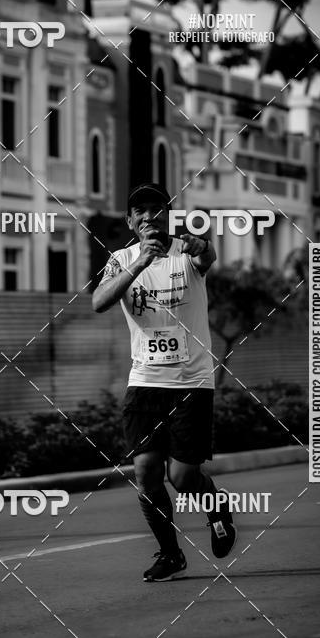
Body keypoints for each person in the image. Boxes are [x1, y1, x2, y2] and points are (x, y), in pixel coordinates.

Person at [92, 182, 236, 581]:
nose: (149, 217)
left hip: (191, 382)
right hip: (144, 381)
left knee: (182, 477)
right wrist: (138, 265)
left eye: (157, 209)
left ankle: (216, 506)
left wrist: (200, 246)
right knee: (146, 474)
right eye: (140, 211)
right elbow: (99, 302)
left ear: (168, 216)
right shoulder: (121, 260)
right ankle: (170, 554)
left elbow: (208, 253)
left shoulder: (186, 251)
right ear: (130, 221)